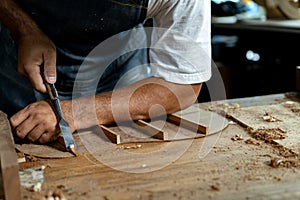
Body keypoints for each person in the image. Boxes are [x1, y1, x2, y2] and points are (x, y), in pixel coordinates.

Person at [0, 0, 211, 144]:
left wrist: (75, 112)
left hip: (119, 77)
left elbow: (183, 84)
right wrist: (24, 30)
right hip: (19, 64)